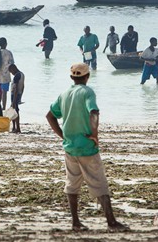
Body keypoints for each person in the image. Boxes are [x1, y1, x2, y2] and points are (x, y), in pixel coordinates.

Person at [46, 63, 128, 232]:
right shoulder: (87, 92)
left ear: (71, 78)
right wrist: (95, 133)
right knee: (99, 183)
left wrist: (63, 136)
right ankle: (111, 221)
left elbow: (50, 116)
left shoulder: (64, 94)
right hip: (87, 147)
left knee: (72, 184)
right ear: (87, 76)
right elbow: (94, 113)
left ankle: (75, 222)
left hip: (70, 148)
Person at [0, 37, 15, 109]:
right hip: (6, 75)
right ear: (6, 44)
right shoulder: (8, 53)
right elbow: (12, 63)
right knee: (4, 93)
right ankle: (3, 107)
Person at [9, 64, 24, 133]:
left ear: (13, 69)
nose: (11, 73)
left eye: (11, 71)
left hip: (15, 95)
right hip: (19, 94)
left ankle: (16, 127)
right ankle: (15, 127)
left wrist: (14, 101)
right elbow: (23, 86)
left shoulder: (17, 76)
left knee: (14, 111)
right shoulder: (22, 74)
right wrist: (20, 96)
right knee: (15, 110)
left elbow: (16, 88)